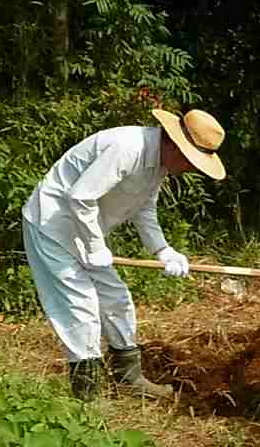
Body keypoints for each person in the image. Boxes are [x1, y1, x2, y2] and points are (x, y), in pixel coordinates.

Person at [23, 108, 226, 402]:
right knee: (81, 307)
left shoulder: (158, 164)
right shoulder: (127, 148)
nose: (192, 169)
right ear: (174, 144)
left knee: (116, 298)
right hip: (52, 225)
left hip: (84, 232)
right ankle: (87, 398)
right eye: (191, 161)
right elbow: (80, 196)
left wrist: (163, 249)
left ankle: (128, 378)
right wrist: (94, 247)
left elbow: (145, 209)